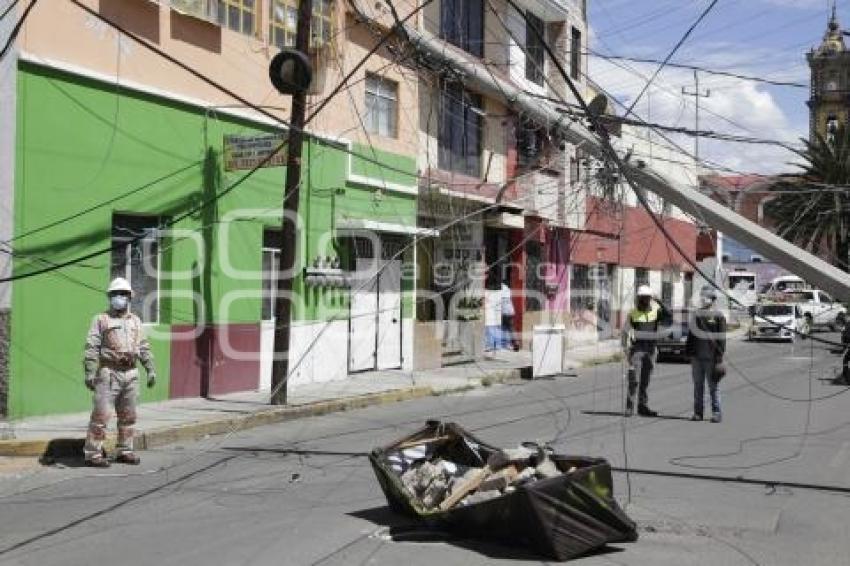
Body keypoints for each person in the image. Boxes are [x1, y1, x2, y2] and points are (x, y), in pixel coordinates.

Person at [82, 277, 156, 467]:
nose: (119, 297)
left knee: (128, 416)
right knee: (101, 415)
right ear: (110, 297)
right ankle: (93, 454)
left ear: (129, 297)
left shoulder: (136, 321)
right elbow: (91, 346)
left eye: (123, 294)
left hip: (131, 372)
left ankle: (125, 450)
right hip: (108, 372)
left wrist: (150, 369)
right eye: (115, 294)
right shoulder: (101, 320)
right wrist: (90, 372)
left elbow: (144, 347)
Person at [624, 285, 671, 417]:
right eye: (642, 297)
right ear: (638, 298)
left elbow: (669, 315)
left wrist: (659, 300)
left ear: (650, 298)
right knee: (634, 380)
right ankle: (629, 407)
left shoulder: (656, 312)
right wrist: (625, 350)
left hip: (651, 350)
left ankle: (642, 407)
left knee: (645, 381)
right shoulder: (633, 313)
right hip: (637, 349)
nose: (644, 299)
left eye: (647, 297)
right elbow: (625, 332)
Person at [686, 286, 727, 423]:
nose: (703, 298)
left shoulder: (719, 316)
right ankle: (698, 413)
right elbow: (691, 335)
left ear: (712, 299)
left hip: (711, 357)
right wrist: (689, 352)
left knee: (713, 386)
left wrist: (719, 357)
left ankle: (717, 413)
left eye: (706, 296)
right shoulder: (696, 314)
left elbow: (722, 338)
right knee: (698, 386)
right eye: (702, 295)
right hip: (696, 357)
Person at [500, 279, 517, 350]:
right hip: (510, 311)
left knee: (504, 328)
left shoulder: (500, 289)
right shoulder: (508, 289)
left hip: (505, 312)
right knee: (510, 328)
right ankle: (514, 343)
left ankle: (506, 344)